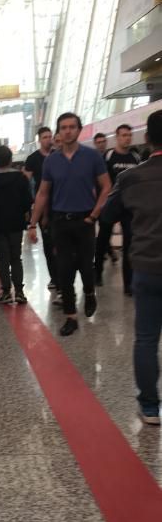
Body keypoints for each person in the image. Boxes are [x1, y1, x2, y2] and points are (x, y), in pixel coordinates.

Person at [101, 110, 162, 425]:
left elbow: (107, 215)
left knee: (147, 337)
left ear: (147, 139)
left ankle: (150, 406)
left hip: (146, 266)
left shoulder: (130, 178)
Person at [28, 113, 111, 336]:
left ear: (79, 130)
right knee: (63, 269)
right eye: (63, 127)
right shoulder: (51, 161)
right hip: (60, 221)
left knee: (85, 265)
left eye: (72, 127)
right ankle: (71, 316)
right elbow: (43, 193)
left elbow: (106, 186)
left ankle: (90, 292)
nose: (67, 131)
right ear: (59, 131)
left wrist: (94, 215)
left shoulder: (92, 157)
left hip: (85, 220)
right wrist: (33, 224)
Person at [94, 124, 140, 294]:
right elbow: (100, 181)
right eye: (124, 135)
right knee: (103, 239)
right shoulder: (108, 156)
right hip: (110, 205)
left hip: (129, 206)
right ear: (117, 137)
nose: (127, 138)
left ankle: (128, 284)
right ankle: (97, 273)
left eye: (129, 135)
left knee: (129, 244)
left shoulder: (135, 157)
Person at [0, 146, 32, 304]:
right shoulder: (20, 178)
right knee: (16, 258)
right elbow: (27, 201)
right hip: (16, 223)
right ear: (10, 159)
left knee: (2, 259)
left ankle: (6, 291)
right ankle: (19, 291)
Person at [23, 127, 58, 290]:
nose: (48, 139)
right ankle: (54, 277)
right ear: (39, 139)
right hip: (42, 204)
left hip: (59, 202)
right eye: (45, 137)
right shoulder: (33, 159)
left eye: (50, 136)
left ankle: (62, 276)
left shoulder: (58, 155)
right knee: (48, 244)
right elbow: (25, 180)